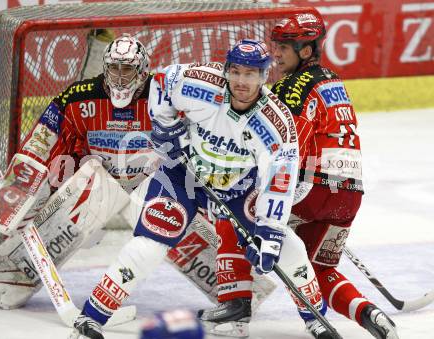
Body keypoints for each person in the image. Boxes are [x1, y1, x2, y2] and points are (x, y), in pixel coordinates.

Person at [70, 39, 330, 339]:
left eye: (251, 74)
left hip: (239, 185)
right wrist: (164, 125)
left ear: (264, 75)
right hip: (183, 173)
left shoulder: (277, 123)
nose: (242, 81)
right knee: (149, 245)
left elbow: (279, 180)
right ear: (226, 70)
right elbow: (162, 83)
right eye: (236, 72)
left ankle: (316, 320)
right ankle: (91, 317)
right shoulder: (201, 82)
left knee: (287, 247)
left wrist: (269, 231)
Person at [0, 33, 155, 309]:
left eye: (127, 68)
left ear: (142, 71)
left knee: (176, 218)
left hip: (149, 183)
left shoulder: (165, 98)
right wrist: (20, 190)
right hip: (98, 183)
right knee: (82, 181)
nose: (119, 77)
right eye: (114, 68)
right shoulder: (78, 97)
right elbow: (41, 143)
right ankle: (9, 276)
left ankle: (234, 289)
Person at [269, 8, 399, 339]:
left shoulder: (292, 86)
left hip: (312, 190)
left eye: (284, 47)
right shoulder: (333, 79)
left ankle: (243, 306)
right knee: (322, 270)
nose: (275, 53)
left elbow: (287, 148)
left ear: (307, 50)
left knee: (256, 228)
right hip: (349, 195)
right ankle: (371, 314)